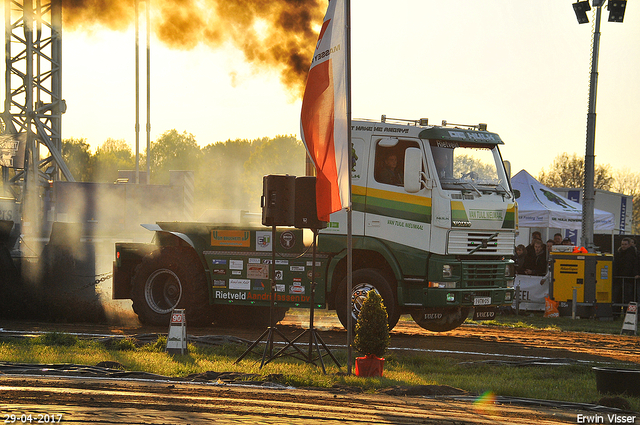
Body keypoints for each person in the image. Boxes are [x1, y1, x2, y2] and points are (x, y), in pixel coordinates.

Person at [613, 237, 640, 306]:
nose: (623, 246)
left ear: (629, 245)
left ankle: (625, 312)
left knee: (627, 297)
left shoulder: (631, 254)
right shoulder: (619, 253)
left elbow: (631, 265)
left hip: (627, 279)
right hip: (620, 278)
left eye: (625, 244)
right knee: (619, 296)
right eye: (622, 244)